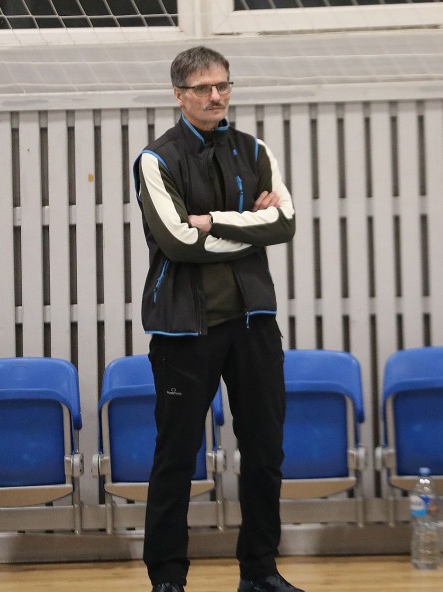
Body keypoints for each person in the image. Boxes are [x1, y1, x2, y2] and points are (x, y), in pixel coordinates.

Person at [133, 46, 302, 592]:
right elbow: (178, 241)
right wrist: (248, 226)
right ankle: (167, 578)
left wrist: (213, 221)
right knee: (176, 457)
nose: (216, 96)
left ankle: (260, 571)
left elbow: (285, 223)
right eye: (203, 88)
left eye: (223, 85)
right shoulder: (156, 160)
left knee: (265, 451)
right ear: (179, 94)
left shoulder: (254, 149)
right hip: (184, 330)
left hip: (255, 323)